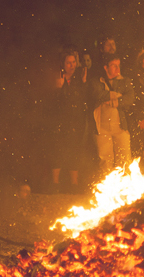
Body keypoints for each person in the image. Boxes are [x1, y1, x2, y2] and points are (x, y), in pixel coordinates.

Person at [88, 54, 134, 175]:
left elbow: (130, 98)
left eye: (118, 66)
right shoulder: (96, 81)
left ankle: (125, 188)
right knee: (105, 160)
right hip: (101, 128)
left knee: (124, 159)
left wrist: (115, 103)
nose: (117, 69)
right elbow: (98, 94)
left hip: (120, 127)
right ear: (105, 67)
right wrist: (115, 95)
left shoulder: (124, 81)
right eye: (114, 66)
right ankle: (108, 189)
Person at [50, 50, 88, 194]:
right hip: (60, 120)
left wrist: (84, 83)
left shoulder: (80, 79)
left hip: (76, 120)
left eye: (73, 62)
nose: (71, 65)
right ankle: (55, 184)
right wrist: (58, 88)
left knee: (75, 150)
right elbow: (53, 102)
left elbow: (85, 99)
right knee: (58, 150)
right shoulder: (58, 78)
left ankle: (74, 185)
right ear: (63, 64)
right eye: (68, 63)